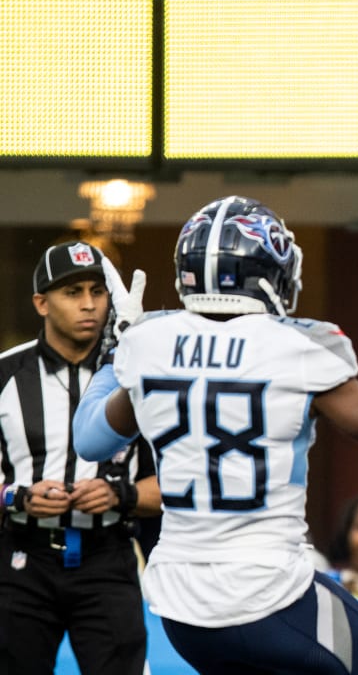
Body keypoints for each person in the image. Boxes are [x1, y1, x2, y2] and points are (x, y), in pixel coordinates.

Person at [71, 196, 358, 674]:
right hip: (265, 593)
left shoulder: (148, 343)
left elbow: (90, 439)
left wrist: (115, 349)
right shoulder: (297, 346)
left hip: (180, 607)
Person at [0, 241, 162, 675]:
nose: (89, 305)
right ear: (41, 302)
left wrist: (118, 494)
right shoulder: (5, 374)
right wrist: (16, 497)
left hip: (107, 556)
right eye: (73, 293)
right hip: (22, 557)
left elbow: (172, 482)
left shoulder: (135, 376)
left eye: (98, 290)